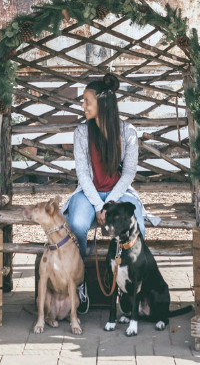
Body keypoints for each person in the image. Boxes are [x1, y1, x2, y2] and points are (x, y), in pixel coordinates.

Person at [62, 71, 149, 314]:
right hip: (88, 193)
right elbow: (83, 174)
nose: (83, 106)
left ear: (103, 104)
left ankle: (131, 285)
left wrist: (109, 202)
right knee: (77, 224)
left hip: (119, 193)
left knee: (137, 224)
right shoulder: (81, 133)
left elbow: (129, 172)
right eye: (83, 101)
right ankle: (79, 282)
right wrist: (98, 206)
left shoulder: (127, 132)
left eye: (87, 101)